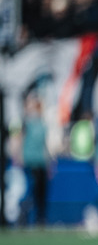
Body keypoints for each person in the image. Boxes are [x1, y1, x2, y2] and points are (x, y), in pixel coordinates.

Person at [10, 92, 52, 227]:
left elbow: (45, 145)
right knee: (29, 190)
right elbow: (19, 140)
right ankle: (23, 218)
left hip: (41, 161)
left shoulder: (43, 124)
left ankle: (41, 218)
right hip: (29, 160)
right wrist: (18, 156)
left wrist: (49, 161)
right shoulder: (25, 123)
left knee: (41, 192)